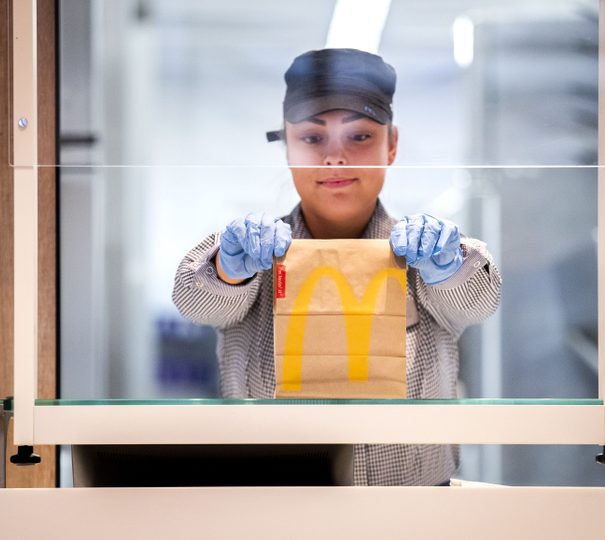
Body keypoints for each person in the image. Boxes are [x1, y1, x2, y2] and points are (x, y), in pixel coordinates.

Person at [172, 48, 501, 486]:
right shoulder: (254, 253)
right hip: (277, 512)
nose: (335, 159)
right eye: (312, 138)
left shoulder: (427, 252)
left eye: (359, 137)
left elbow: (481, 299)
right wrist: (230, 270)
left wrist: (448, 268)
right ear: (286, 146)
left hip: (413, 516)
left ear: (393, 144)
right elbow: (195, 302)